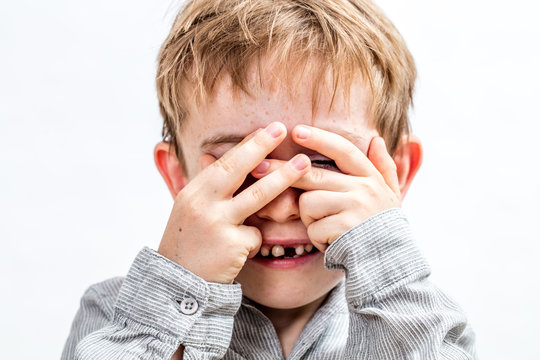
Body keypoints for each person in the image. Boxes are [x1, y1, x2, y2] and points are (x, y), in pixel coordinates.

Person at [61, 0, 476, 359]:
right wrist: (176, 289)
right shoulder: (116, 318)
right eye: (241, 165)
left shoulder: (424, 318)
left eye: (324, 162)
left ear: (396, 173)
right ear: (180, 177)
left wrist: (384, 261)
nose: (280, 205)